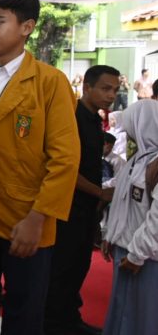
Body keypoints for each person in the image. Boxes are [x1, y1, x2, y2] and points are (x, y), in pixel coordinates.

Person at [0, 0, 80, 335]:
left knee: (24, 313)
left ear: (27, 27)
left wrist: (38, 218)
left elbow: (65, 158)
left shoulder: (50, 82)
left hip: (27, 218)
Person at [44, 65, 119, 335]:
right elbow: (65, 168)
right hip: (68, 207)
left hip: (87, 207)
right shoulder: (72, 118)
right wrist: (99, 193)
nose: (111, 95)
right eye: (105, 88)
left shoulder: (95, 119)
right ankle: (55, 325)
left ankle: (69, 318)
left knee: (79, 265)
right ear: (87, 87)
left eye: (115, 90)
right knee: (63, 267)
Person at [101, 100, 158, 335]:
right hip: (126, 251)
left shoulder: (154, 165)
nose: (129, 136)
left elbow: (157, 220)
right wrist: (110, 235)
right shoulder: (136, 161)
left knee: (142, 318)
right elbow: (120, 203)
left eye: (131, 130)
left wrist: (137, 254)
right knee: (122, 312)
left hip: (146, 258)